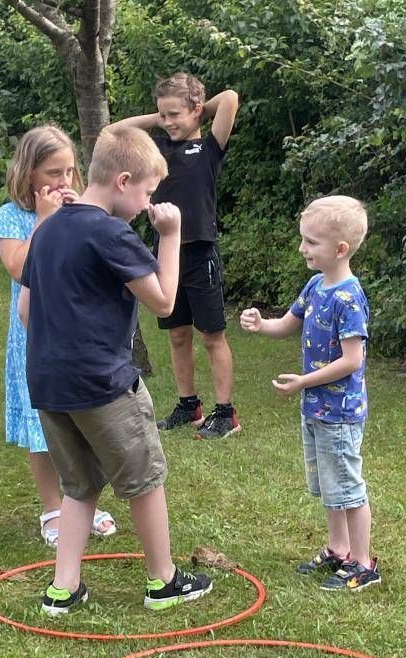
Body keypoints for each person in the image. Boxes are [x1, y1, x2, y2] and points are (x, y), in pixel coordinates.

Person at [18, 125, 213, 615]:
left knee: (79, 484)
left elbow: (25, 311)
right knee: (144, 478)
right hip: (103, 384)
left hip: (49, 383)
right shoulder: (110, 232)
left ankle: (63, 588)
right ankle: (163, 581)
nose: (148, 204)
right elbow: (164, 301)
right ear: (123, 181)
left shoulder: (48, 228)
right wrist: (171, 235)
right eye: (147, 192)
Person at [240, 196, 380, 591]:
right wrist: (261, 324)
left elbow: (352, 360)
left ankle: (363, 563)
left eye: (311, 242)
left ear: (340, 249)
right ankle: (338, 549)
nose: (302, 248)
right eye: (303, 239)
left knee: (348, 487)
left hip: (340, 411)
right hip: (316, 409)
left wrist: (304, 381)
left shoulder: (348, 298)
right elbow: (288, 323)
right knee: (329, 485)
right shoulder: (316, 285)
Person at [0, 125, 116, 547]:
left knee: (82, 423)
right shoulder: (12, 217)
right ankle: (52, 509)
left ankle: (83, 503)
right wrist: (44, 221)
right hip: (32, 338)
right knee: (41, 427)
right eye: (53, 173)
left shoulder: (78, 210)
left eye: (70, 171)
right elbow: (19, 268)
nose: (64, 181)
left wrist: (81, 218)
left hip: (73, 335)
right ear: (29, 175)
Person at [114, 72, 241, 439]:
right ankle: (189, 405)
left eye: (174, 114)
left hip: (201, 253)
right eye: (163, 115)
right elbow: (116, 132)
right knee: (177, 335)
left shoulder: (210, 148)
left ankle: (225, 413)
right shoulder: (157, 149)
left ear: (197, 110)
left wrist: (198, 111)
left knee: (211, 336)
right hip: (165, 256)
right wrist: (161, 118)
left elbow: (230, 97)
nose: (168, 122)